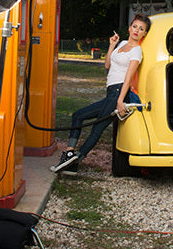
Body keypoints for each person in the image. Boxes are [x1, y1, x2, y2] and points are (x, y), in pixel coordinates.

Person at [52, 14, 151, 174]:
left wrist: (120, 100)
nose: (136, 30)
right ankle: (70, 156)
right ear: (129, 28)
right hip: (111, 92)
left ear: (144, 34)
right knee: (78, 116)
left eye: (141, 29)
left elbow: (128, 77)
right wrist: (112, 45)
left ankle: (76, 160)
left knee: (97, 128)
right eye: (135, 26)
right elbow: (107, 65)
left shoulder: (137, 51)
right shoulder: (122, 43)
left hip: (119, 92)